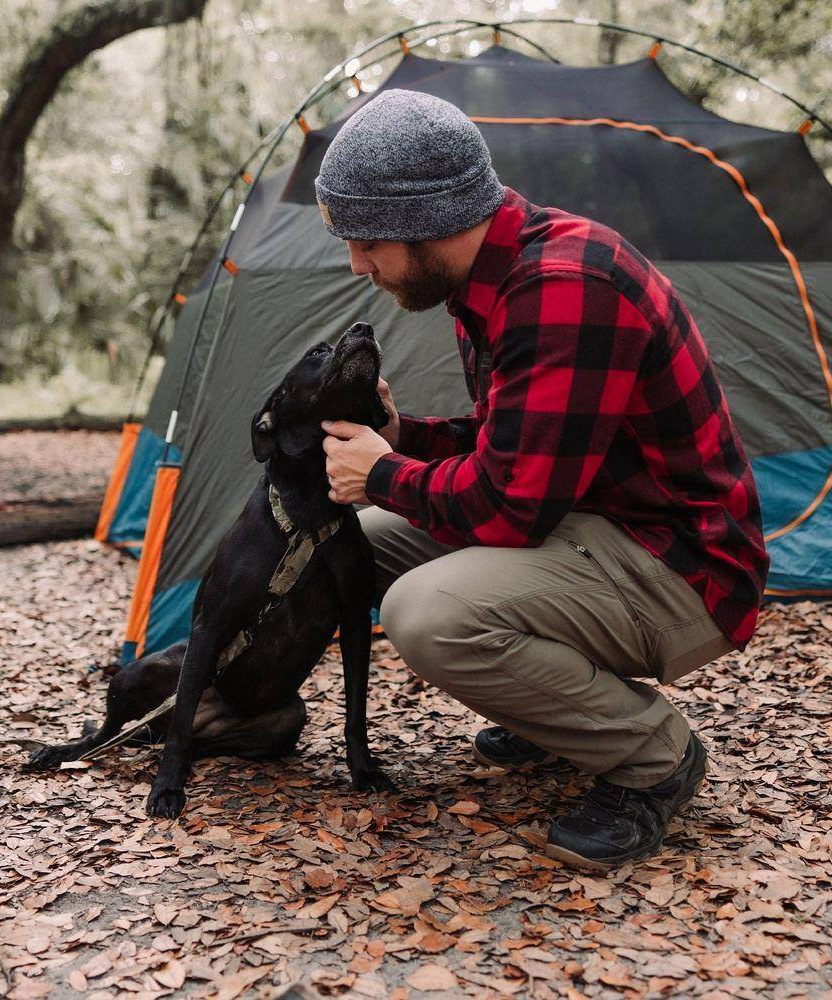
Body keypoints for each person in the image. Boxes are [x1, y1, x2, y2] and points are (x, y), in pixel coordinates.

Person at [315, 88, 769, 871]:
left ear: (428, 218)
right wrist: (400, 439)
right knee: (356, 537)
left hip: (685, 570)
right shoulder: (490, 277)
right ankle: (553, 707)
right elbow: (518, 449)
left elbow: (508, 508)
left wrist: (386, 474)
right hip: (596, 527)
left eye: (366, 240)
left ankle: (653, 759)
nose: (359, 265)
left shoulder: (564, 288)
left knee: (424, 613)